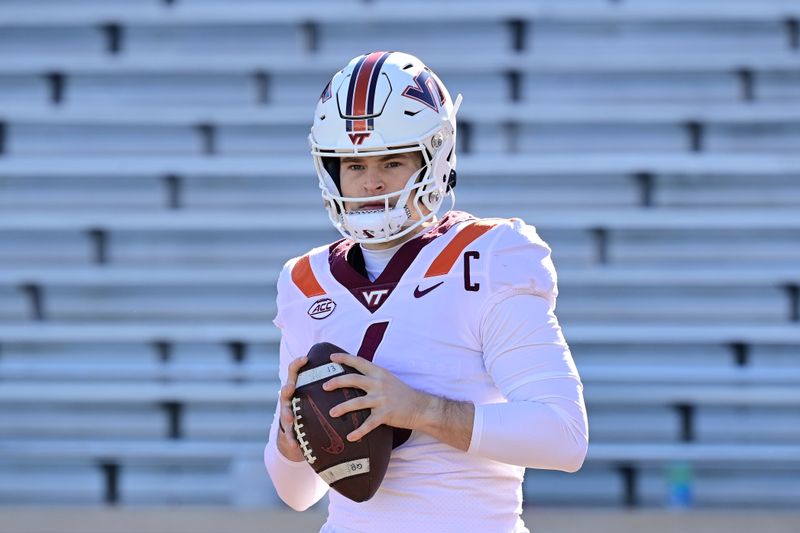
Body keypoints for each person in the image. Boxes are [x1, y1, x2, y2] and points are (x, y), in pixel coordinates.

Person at [264, 51, 589, 533]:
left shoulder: (487, 259)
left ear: (434, 159)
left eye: (391, 161)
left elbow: (564, 438)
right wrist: (292, 447)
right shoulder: (305, 281)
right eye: (354, 165)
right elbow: (296, 494)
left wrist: (423, 409)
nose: (371, 182)